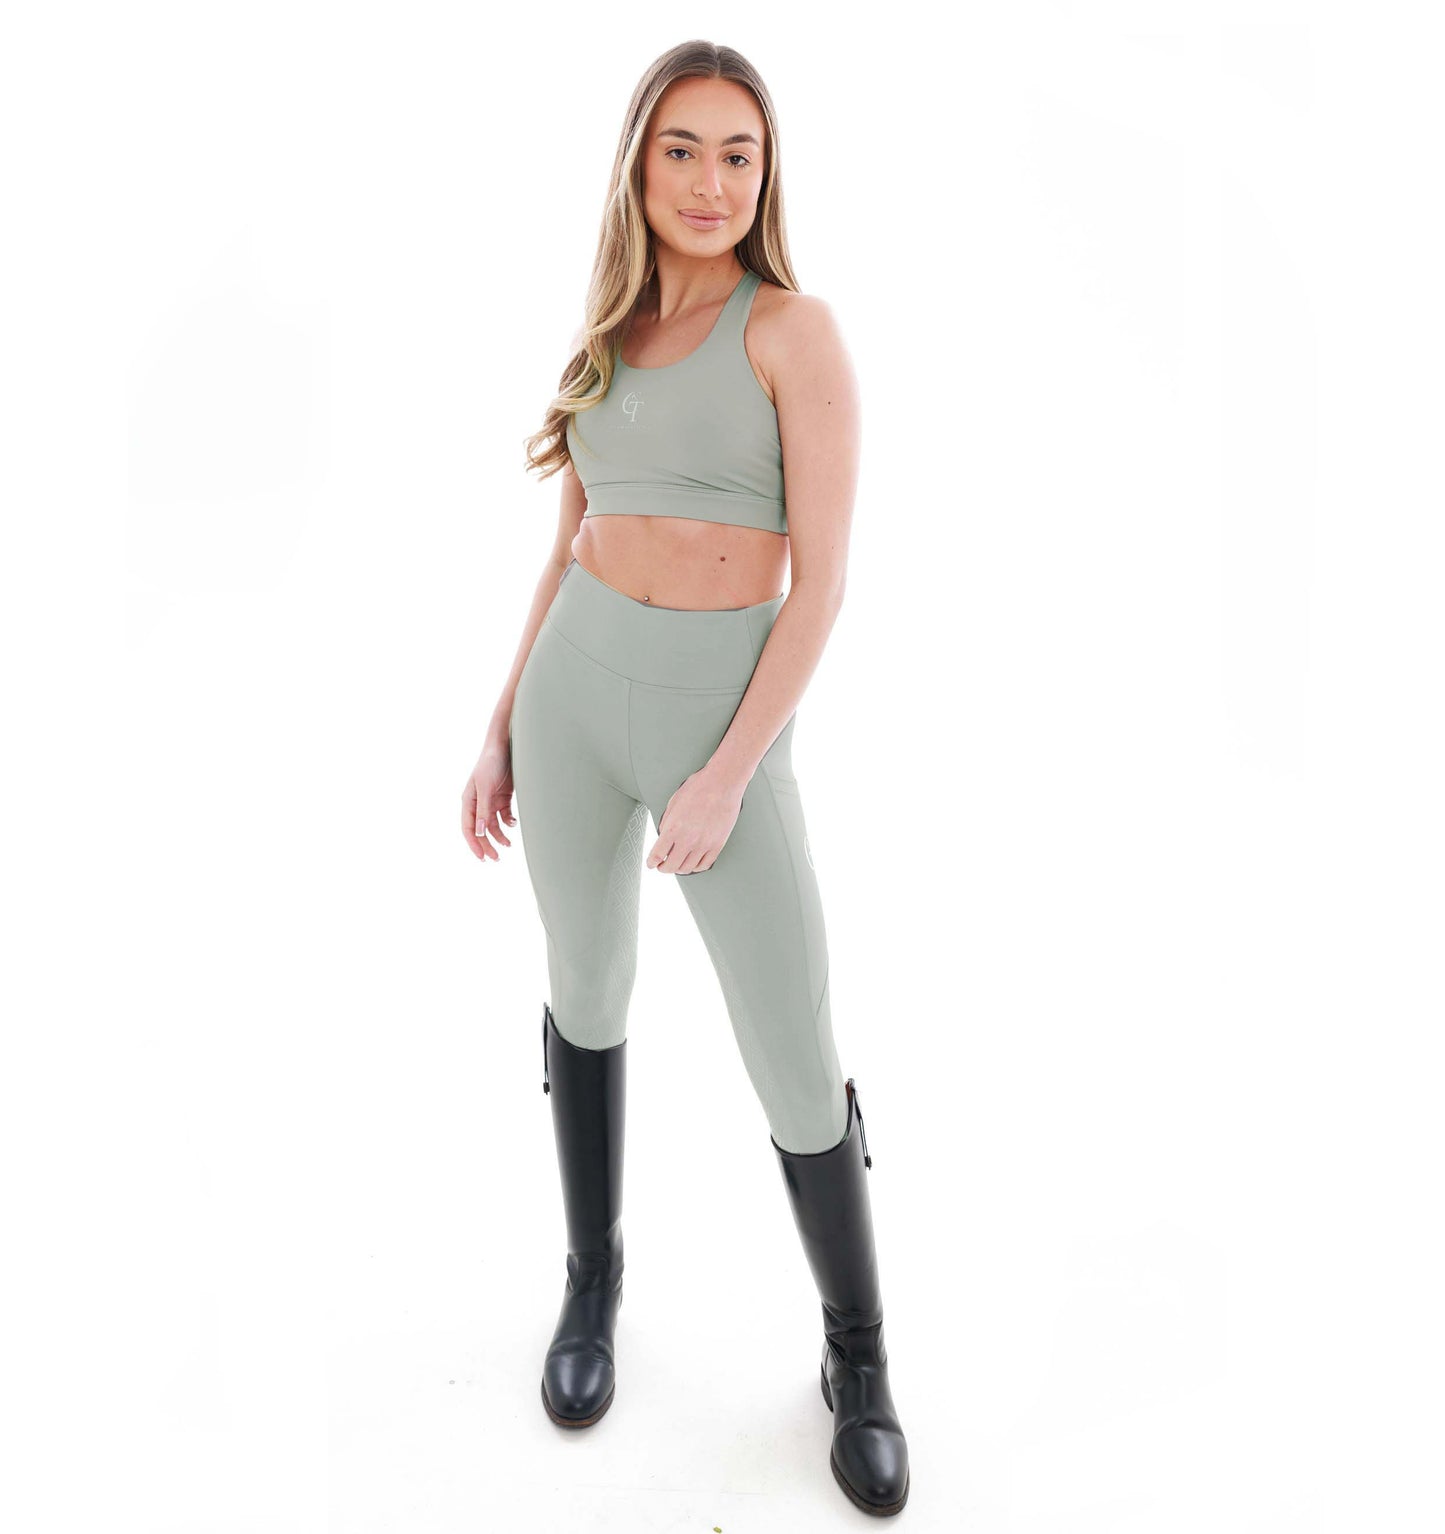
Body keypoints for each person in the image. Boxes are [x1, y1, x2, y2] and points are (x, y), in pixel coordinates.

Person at [461, 40, 911, 1517]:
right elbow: (568, 541)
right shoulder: (605, 333)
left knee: (792, 1046)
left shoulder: (794, 331)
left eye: (738, 153)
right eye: (681, 149)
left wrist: (730, 771)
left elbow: (821, 586)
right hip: (574, 696)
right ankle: (593, 1280)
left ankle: (858, 1356)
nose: (710, 182)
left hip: (723, 719)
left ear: (766, 176)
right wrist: (501, 722)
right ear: (638, 165)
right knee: (584, 989)